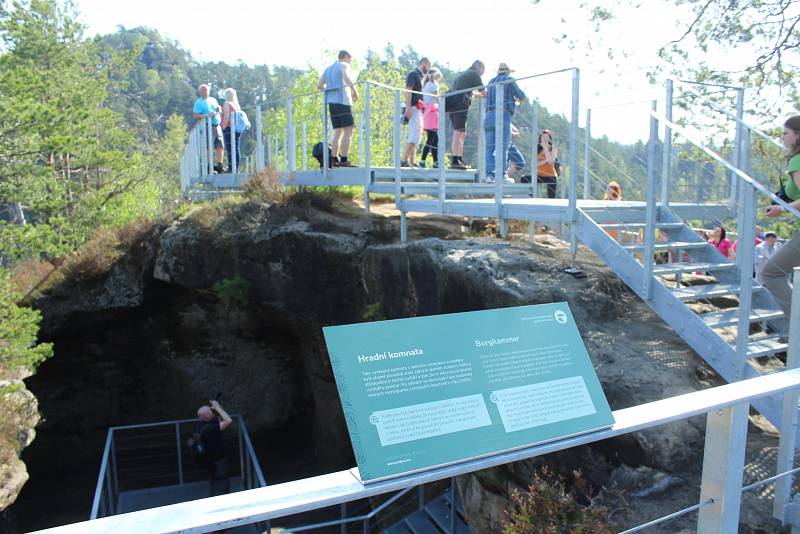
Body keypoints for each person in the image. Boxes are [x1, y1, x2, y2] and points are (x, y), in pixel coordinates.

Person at [761, 115, 800, 318]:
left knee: (770, 272)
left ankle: (797, 326)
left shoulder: (797, 160)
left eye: (785, 133)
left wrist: (782, 209)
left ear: (797, 135)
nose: (782, 137)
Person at [484, 63, 527, 183]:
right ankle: (501, 175)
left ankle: (489, 176)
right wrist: (517, 99)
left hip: (488, 116)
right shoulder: (509, 80)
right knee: (503, 147)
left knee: (490, 148)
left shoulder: (491, 81)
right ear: (508, 72)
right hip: (503, 114)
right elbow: (521, 95)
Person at [318, 50, 359, 167]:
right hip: (343, 101)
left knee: (337, 132)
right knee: (349, 130)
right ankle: (344, 159)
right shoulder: (343, 64)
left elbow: (319, 86)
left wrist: (330, 89)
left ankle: (334, 158)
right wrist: (355, 90)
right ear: (346, 57)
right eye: (350, 59)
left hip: (332, 103)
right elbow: (346, 77)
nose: (350, 62)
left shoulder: (328, 69)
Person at [446, 60, 486, 170]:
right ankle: (455, 160)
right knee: (459, 132)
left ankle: (458, 158)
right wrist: (493, 95)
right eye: (483, 69)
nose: (483, 73)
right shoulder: (474, 74)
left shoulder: (465, 74)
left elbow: (473, 92)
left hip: (454, 103)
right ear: (478, 66)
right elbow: (483, 92)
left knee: (461, 132)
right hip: (460, 104)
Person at [196, 399, 233, 496]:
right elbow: (228, 421)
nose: (212, 411)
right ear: (207, 416)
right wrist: (217, 408)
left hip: (211, 462)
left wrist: (218, 408)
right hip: (218, 462)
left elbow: (221, 419)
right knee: (222, 486)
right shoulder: (210, 429)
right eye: (210, 410)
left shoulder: (202, 424)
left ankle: (213, 498)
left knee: (214, 483)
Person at [402, 58, 431, 167]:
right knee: (415, 134)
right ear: (423, 63)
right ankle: (404, 159)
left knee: (417, 134)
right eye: (428, 65)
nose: (428, 69)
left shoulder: (421, 77)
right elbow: (408, 90)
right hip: (413, 107)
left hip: (418, 108)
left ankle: (412, 160)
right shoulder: (413, 74)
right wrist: (408, 107)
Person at [192, 84, 225, 173]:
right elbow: (195, 115)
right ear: (200, 92)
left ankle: (219, 165)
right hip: (207, 125)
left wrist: (219, 109)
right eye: (203, 90)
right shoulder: (198, 102)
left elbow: (218, 108)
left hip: (216, 124)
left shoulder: (213, 100)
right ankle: (209, 165)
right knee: (208, 146)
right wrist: (207, 116)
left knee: (220, 144)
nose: (205, 92)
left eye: (206, 90)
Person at [420, 68, 442, 168]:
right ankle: (422, 160)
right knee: (431, 139)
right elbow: (437, 98)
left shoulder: (426, 85)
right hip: (432, 113)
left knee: (434, 139)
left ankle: (435, 161)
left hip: (428, 113)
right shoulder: (433, 85)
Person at [220, 88, 243, 173]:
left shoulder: (227, 104)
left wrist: (223, 127)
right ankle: (235, 167)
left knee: (230, 148)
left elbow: (226, 116)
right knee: (236, 148)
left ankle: (231, 168)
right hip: (237, 129)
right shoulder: (236, 105)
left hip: (229, 128)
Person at [536, 129, 560, 198]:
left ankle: (552, 202)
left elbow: (551, 162)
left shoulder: (553, 148)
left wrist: (545, 147)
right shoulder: (537, 148)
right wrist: (546, 159)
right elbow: (535, 164)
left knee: (552, 183)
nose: (545, 139)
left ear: (550, 138)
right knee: (524, 179)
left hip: (551, 175)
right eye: (543, 137)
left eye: (547, 137)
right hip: (540, 175)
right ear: (540, 138)